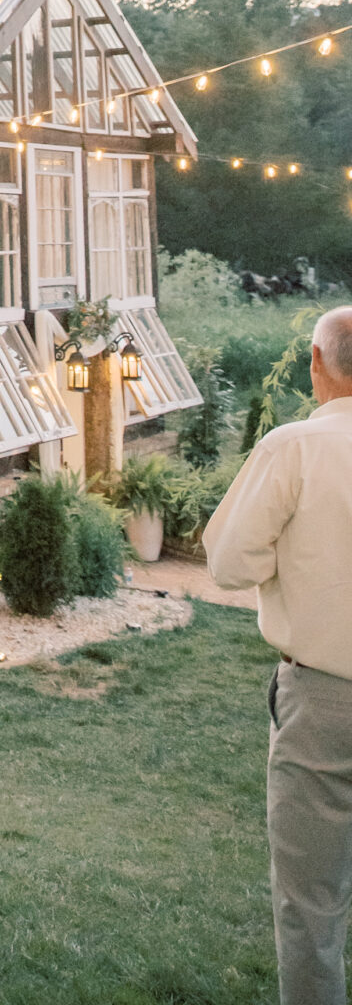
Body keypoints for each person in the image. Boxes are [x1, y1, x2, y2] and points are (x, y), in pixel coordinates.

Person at [205, 305, 352, 1005]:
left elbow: (230, 562)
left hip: (325, 698)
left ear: (316, 367)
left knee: (311, 902)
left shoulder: (294, 448)